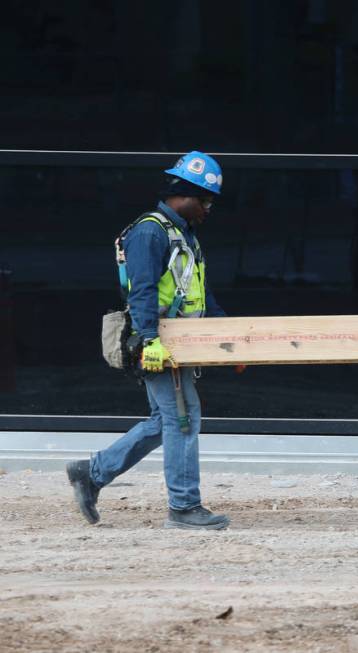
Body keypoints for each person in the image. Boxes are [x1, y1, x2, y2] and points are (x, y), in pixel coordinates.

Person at [67, 151, 231, 530]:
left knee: (166, 420)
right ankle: (184, 507)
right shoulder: (150, 232)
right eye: (205, 200)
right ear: (184, 194)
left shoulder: (182, 235)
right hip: (160, 344)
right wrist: (148, 341)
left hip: (181, 342)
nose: (208, 208)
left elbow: (200, 296)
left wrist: (228, 340)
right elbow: (141, 293)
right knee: (182, 420)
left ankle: (91, 473)